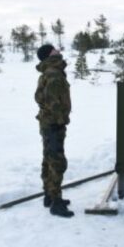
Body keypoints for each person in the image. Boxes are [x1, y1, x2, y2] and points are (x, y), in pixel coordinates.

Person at [35, 43, 74, 218]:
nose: (58, 50)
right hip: (53, 124)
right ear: (49, 55)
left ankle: (49, 196)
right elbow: (52, 101)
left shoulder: (49, 72)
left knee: (48, 159)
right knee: (57, 162)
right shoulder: (53, 73)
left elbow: (41, 98)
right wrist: (58, 121)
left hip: (47, 122)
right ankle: (56, 202)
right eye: (54, 49)